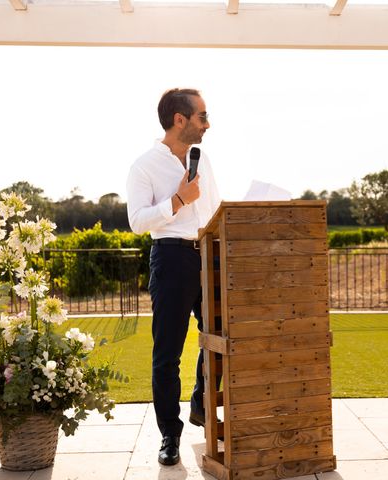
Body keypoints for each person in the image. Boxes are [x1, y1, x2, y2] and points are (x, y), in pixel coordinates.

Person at [126, 88, 220, 466]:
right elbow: (137, 221)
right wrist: (178, 200)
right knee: (167, 354)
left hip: (210, 256)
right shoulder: (144, 166)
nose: (207, 124)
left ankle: (200, 400)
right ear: (179, 119)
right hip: (171, 259)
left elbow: (214, 208)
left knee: (223, 335)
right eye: (202, 116)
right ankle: (170, 434)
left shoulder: (204, 160)